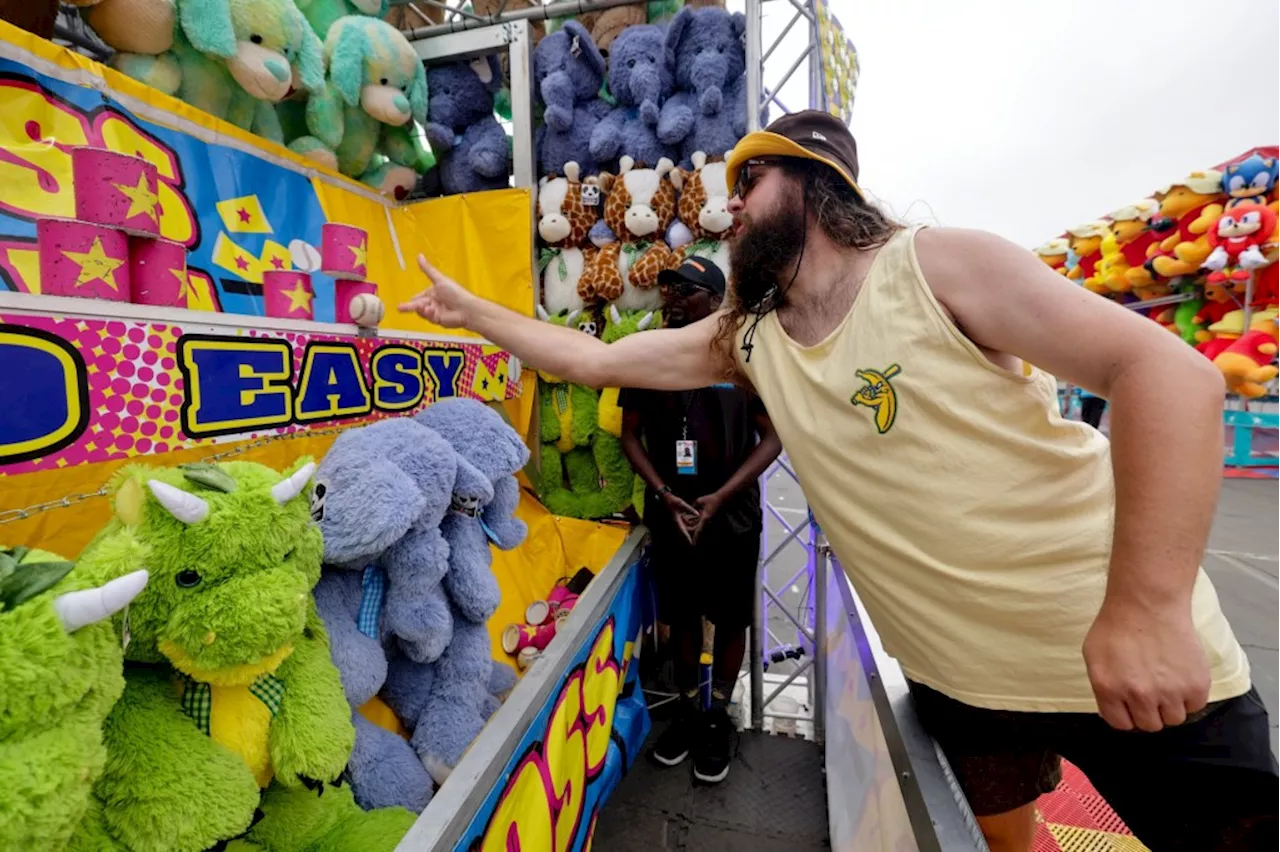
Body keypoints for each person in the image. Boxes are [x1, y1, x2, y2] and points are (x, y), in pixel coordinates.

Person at [400, 111, 1280, 852]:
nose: (729, 209)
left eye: (750, 186)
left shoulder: (938, 266)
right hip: (964, 686)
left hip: (1123, 658)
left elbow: (1170, 377)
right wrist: (474, 311)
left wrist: (1148, 608)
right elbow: (594, 360)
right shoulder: (746, 338)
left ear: (819, 185)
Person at [617, 257, 782, 784]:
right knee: (682, 616)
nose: (672, 298)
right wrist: (664, 493)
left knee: (731, 618)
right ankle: (689, 711)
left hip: (730, 516)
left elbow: (774, 437)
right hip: (673, 515)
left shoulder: (740, 359)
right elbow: (629, 436)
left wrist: (722, 495)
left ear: (714, 300)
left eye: (685, 290)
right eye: (668, 289)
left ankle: (717, 717)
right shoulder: (646, 359)